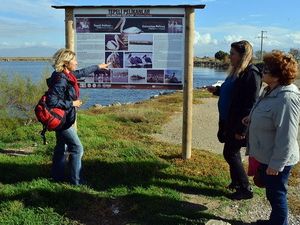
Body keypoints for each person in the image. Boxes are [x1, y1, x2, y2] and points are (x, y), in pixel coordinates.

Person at [245, 51, 299, 225]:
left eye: (267, 69)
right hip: (267, 155)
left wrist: (276, 164)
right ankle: (274, 221)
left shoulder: (287, 98)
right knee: (271, 193)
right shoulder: (269, 90)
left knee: (277, 196)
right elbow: (265, 111)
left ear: (277, 75)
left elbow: (287, 137)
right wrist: (251, 118)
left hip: (277, 160)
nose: (262, 71)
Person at [207, 40, 262, 200]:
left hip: (238, 123)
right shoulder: (237, 71)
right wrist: (217, 90)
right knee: (232, 152)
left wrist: (242, 130)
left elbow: (250, 104)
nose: (229, 56)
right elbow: (232, 93)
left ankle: (245, 188)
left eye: (232, 54)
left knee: (230, 153)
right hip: (228, 120)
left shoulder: (251, 73)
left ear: (242, 55)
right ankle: (236, 183)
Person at [46, 48, 109, 185]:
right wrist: (72, 103)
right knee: (77, 148)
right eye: (74, 60)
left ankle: (57, 176)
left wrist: (98, 66)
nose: (76, 62)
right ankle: (77, 181)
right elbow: (51, 101)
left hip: (62, 118)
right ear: (66, 62)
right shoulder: (61, 79)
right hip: (62, 120)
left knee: (61, 146)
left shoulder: (66, 74)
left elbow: (81, 72)